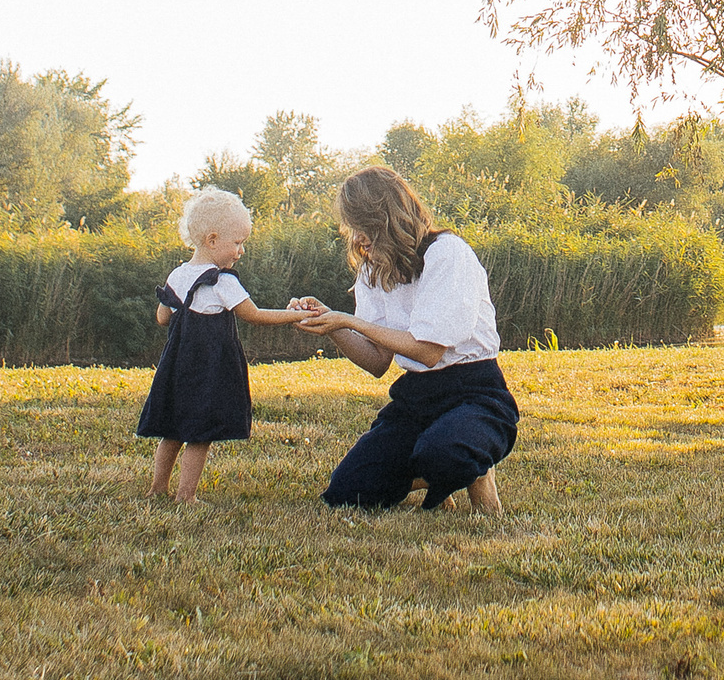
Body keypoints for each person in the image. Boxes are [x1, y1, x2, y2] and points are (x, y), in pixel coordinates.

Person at [289, 166, 517, 512]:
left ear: (386, 218)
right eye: (352, 228)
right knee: (346, 493)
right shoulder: (373, 269)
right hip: (417, 396)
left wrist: (350, 321)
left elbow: (427, 351)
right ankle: (443, 467)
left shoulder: (447, 253)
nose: (357, 238)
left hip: (475, 392)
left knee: (443, 455)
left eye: (362, 226)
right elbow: (377, 361)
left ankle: (468, 467)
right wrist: (332, 325)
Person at [137, 186, 306, 502]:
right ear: (212, 240)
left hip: (176, 367)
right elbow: (253, 315)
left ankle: (157, 488)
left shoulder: (178, 274)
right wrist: (292, 316)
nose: (241, 251)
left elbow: (162, 318)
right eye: (238, 243)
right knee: (199, 434)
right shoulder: (222, 281)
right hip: (207, 369)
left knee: (172, 430)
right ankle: (185, 496)